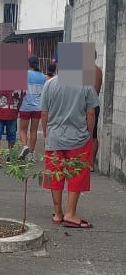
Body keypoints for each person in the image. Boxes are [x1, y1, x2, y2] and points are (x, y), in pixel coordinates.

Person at [41, 67, 99, 228]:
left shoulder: (49, 84)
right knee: (77, 175)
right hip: (78, 138)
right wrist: (90, 133)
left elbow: (44, 113)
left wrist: (46, 134)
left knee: (55, 174)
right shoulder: (86, 85)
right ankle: (71, 213)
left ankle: (58, 213)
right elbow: (91, 113)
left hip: (54, 138)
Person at [18, 56, 46, 161]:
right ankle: (31, 154)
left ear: (28, 64)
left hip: (25, 106)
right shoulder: (42, 76)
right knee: (33, 130)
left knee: (22, 130)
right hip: (37, 107)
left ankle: (25, 146)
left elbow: (19, 91)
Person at [0, 89, 24, 168]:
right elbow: (21, 96)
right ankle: (9, 158)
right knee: (11, 135)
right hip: (12, 110)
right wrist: (18, 108)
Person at [92, 53, 103, 172]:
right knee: (93, 135)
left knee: (85, 135)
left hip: (87, 106)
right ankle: (91, 163)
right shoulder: (99, 71)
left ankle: (84, 162)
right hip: (96, 104)